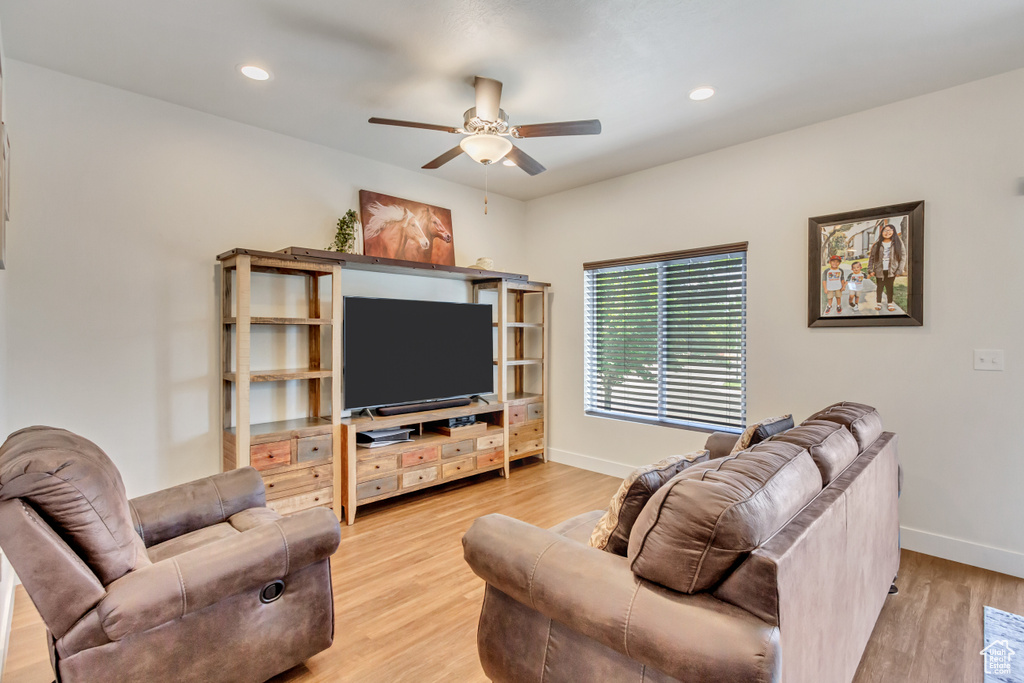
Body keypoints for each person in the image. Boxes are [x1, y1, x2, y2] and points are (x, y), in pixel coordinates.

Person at [867, 221, 907, 312]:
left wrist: (899, 270)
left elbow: (903, 257)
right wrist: (870, 269)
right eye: (885, 230)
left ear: (893, 231)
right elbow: (871, 258)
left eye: (889, 230)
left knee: (890, 287)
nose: (887, 232)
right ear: (882, 232)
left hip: (892, 270)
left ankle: (890, 303)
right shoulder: (877, 244)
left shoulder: (898, 243)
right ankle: (878, 303)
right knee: (880, 287)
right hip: (879, 270)